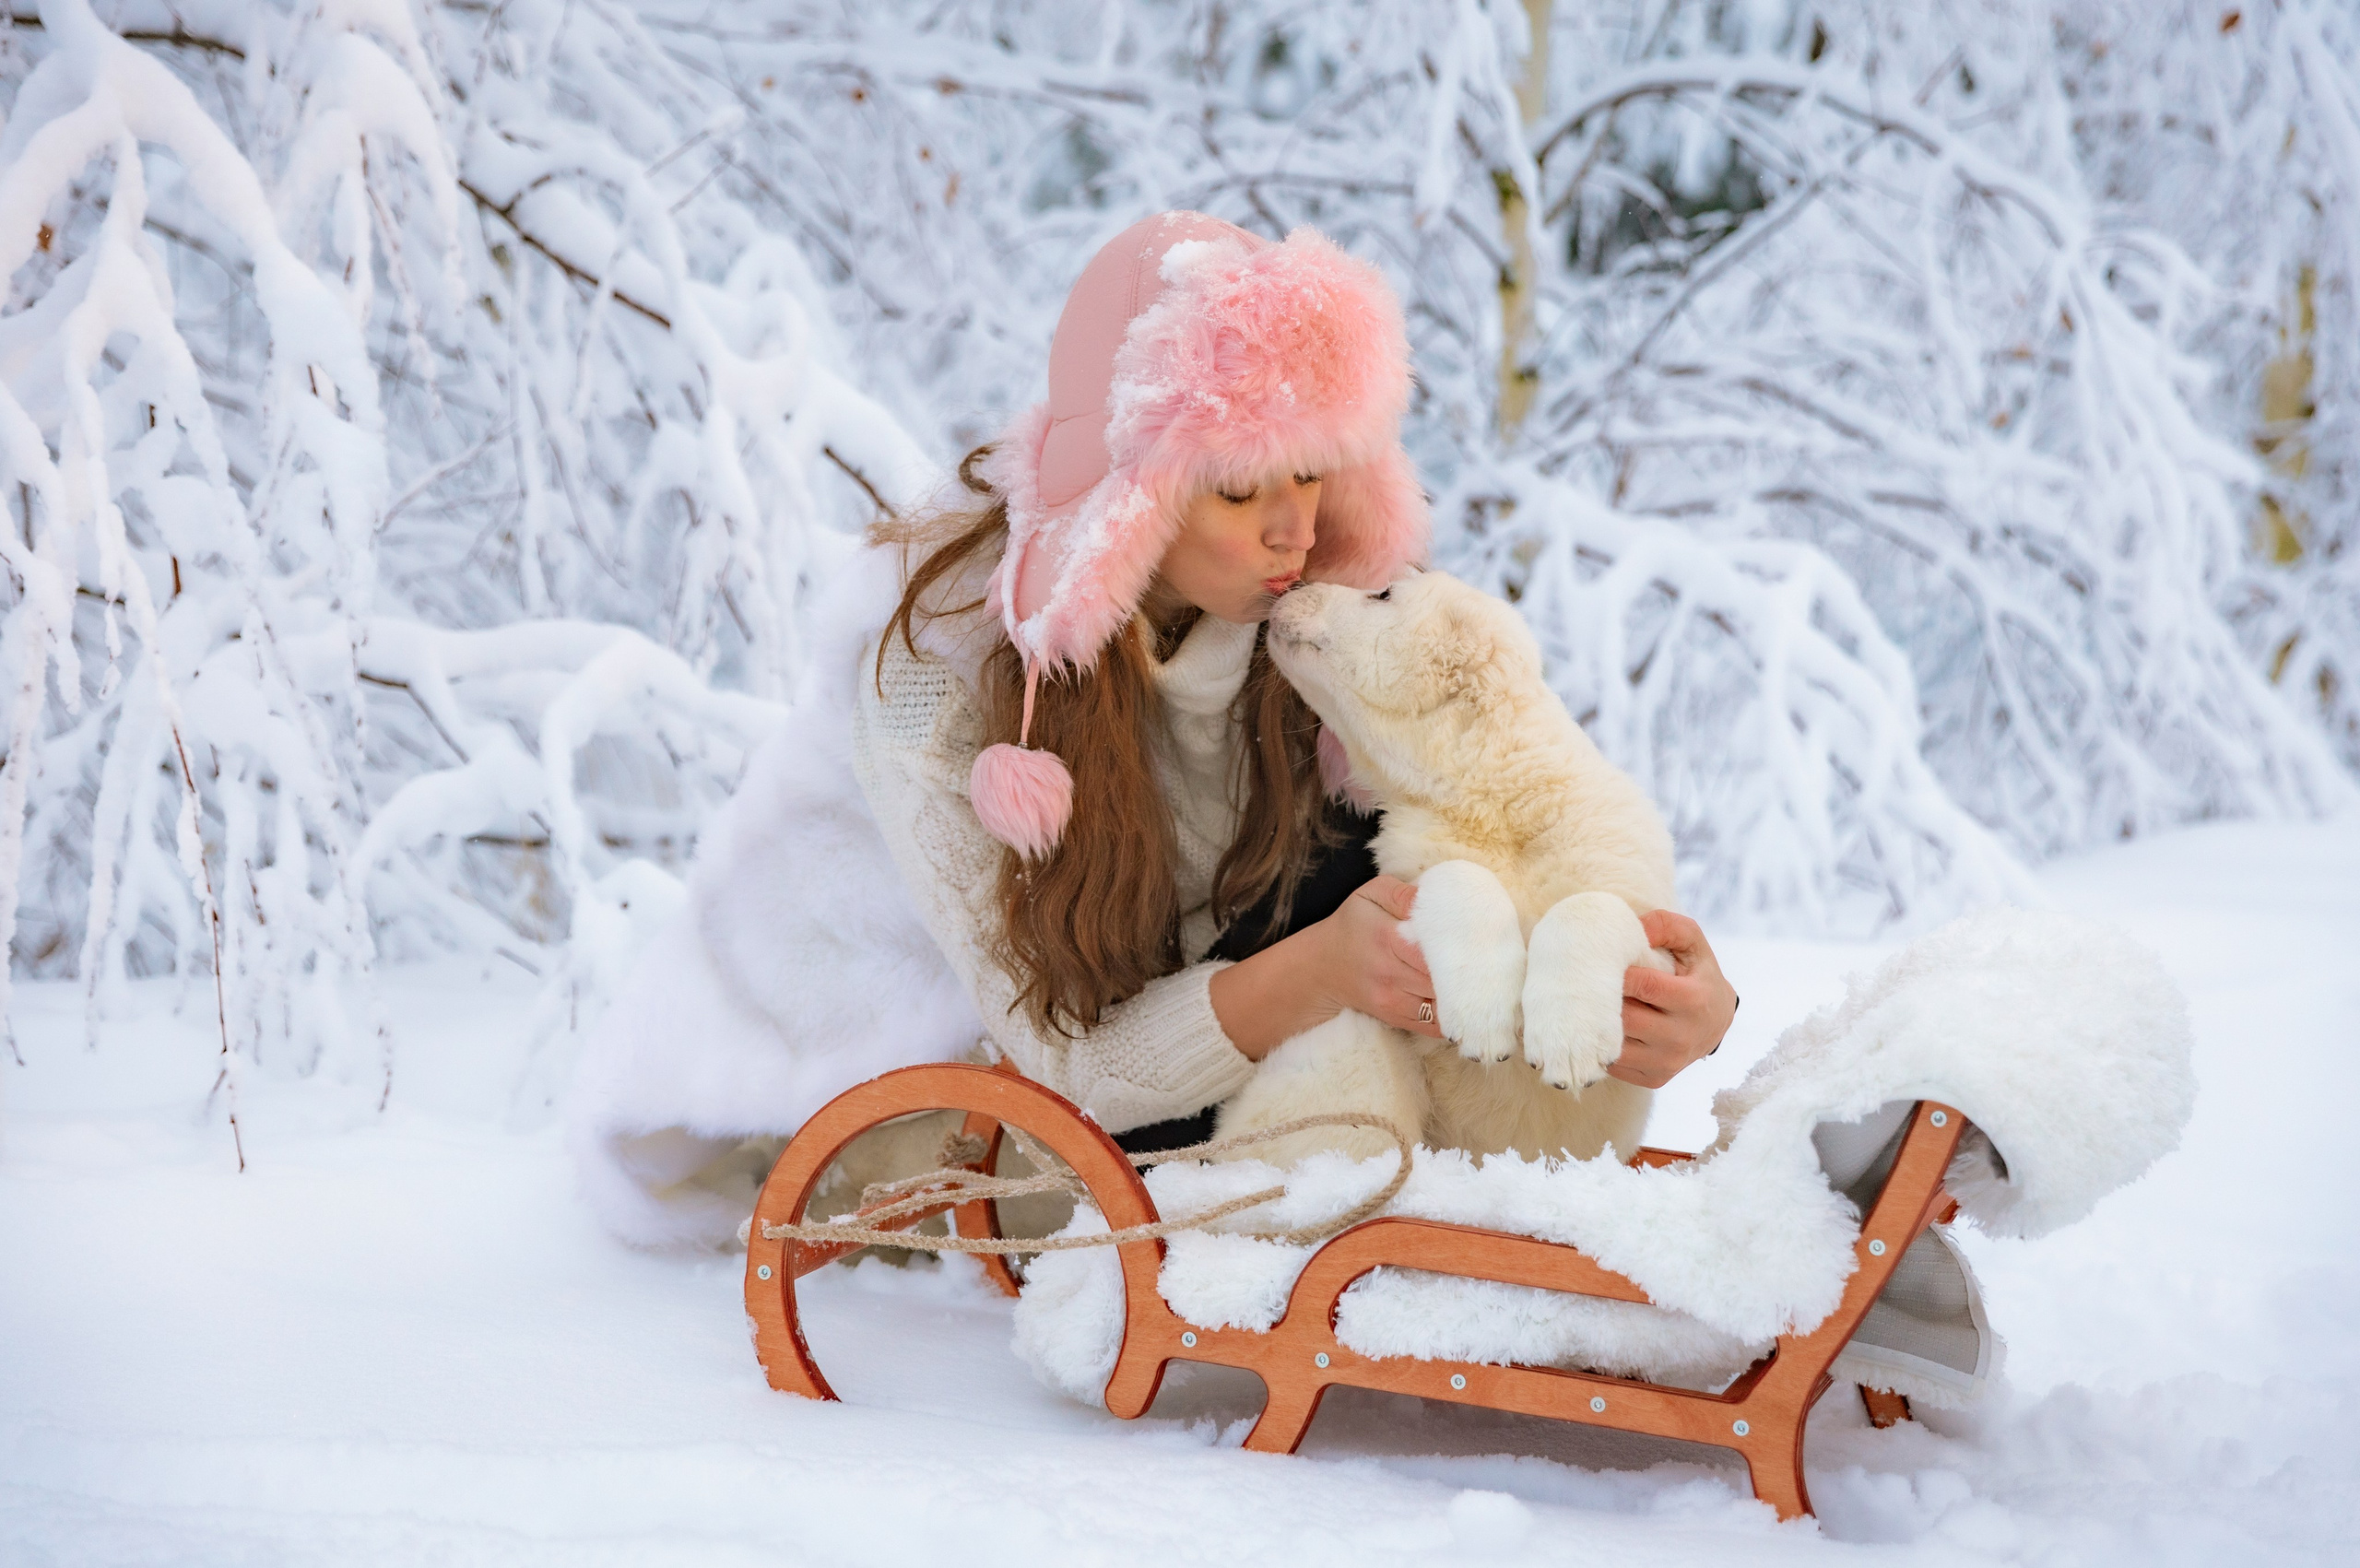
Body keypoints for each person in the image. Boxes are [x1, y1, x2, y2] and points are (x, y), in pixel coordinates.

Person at [568, 212, 1737, 1247]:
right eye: (1238, 489)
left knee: (1406, 879)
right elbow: (1068, 1060)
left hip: (1189, 1019)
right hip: (896, 1100)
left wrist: (1670, 987)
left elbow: (1512, 797)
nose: (1295, 531)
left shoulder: (1301, 596)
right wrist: (1324, 970)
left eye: (1312, 474)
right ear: (1137, 494)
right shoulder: (942, 669)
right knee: (1340, 979)